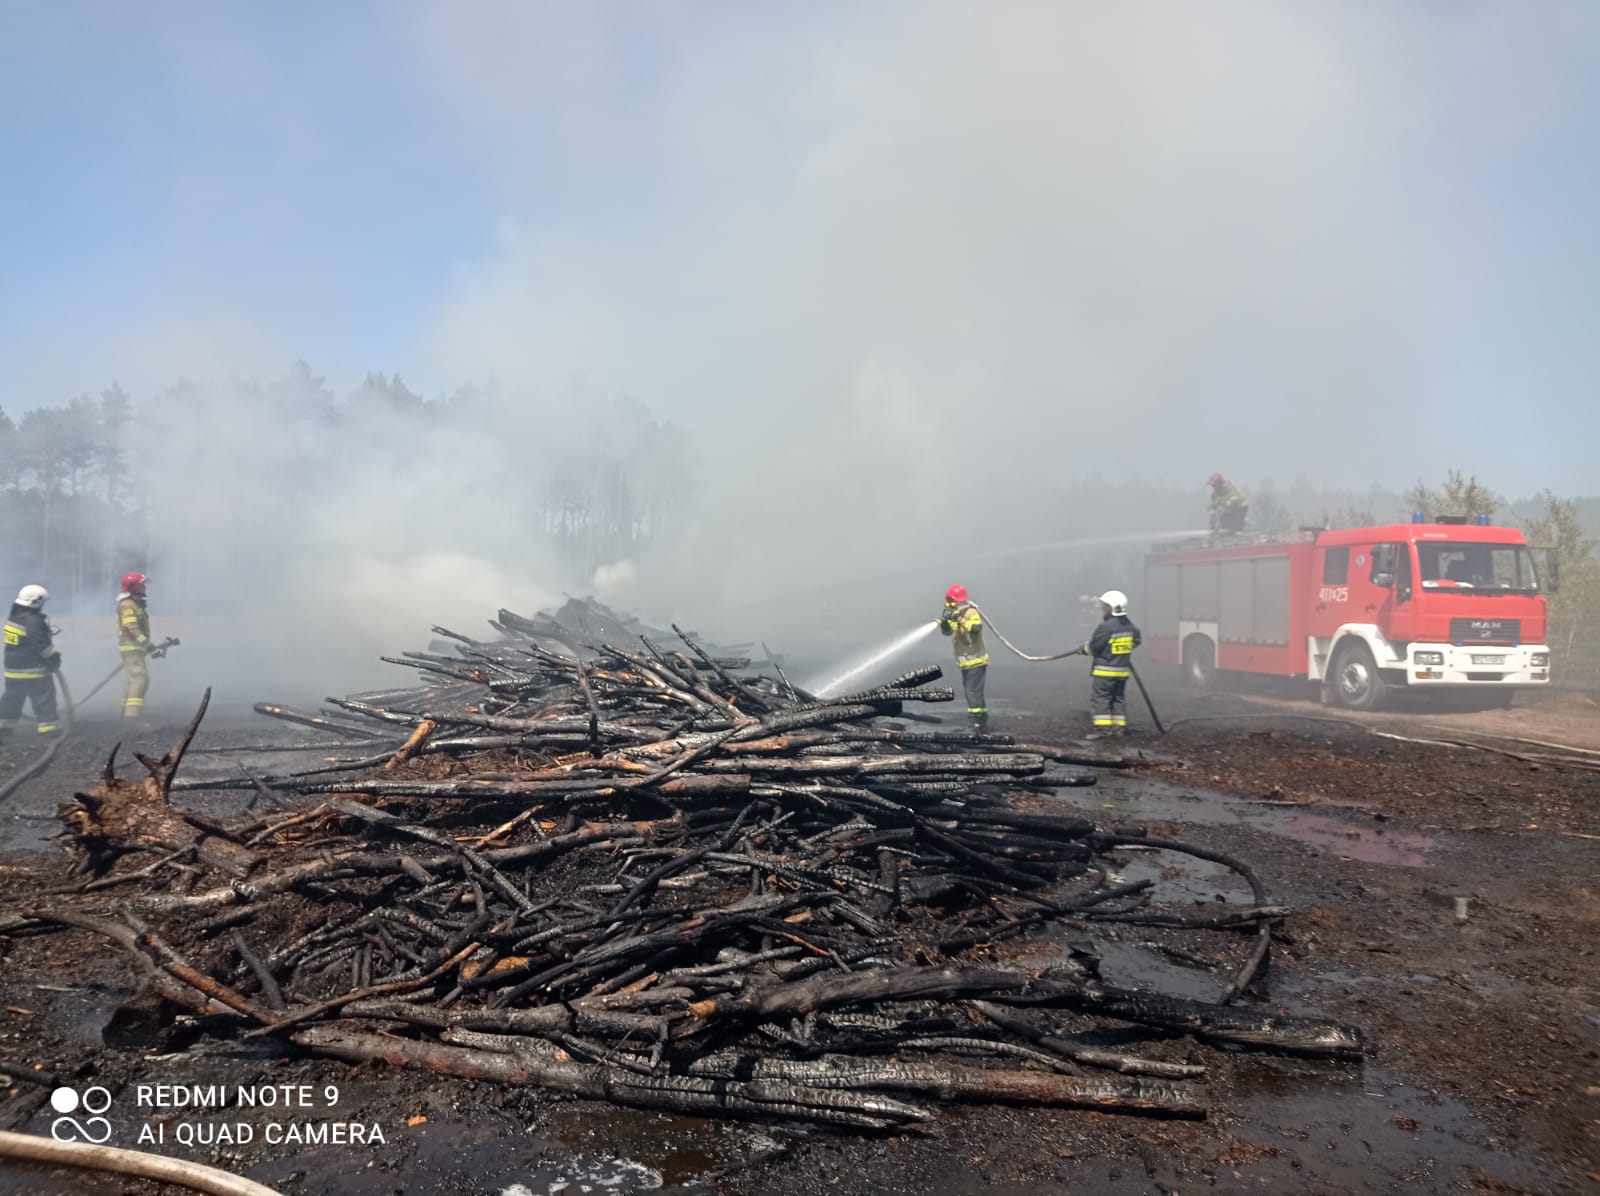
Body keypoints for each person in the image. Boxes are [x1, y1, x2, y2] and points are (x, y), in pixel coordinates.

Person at [1068, 589, 1142, 738]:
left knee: (1101, 699)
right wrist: (1122, 652)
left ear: (1112, 607)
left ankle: (1102, 730)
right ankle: (1118, 729)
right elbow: (1136, 641)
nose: (1103, 608)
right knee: (1118, 699)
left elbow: (1094, 647)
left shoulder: (1106, 627)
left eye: (1105, 606)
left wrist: (1083, 649)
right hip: (1122, 671)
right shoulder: (1130, 626)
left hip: (1105, 671)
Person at [0, 585, 63, 741]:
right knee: (43, 696)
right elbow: (41, 645)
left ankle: (4, 727)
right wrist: (54, 658)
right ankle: (49, 728)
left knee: (13, 698)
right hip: (32, 668)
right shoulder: (33, 621)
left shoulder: (14, 618)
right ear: (36, 602)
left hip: (13, 669)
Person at [938, 584, 989, 731]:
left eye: (951, 601)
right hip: (966, 662)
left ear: (958, 601)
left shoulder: (971, 612)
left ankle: (976, 724)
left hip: (976, 661)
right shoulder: (956, 614)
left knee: (972, 693)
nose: (949, 604)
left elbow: (976, 628)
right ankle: (982, 721)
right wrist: (945, 624)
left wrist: (959, 619)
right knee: (974, 692)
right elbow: (948, 632)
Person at [117, 571, 154, 720]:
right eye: (142, 585)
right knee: (139, 678)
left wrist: (146, 646)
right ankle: (132, 716)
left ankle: (125, 712)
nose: (144, 588)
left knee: (136, 678)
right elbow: (131, 627)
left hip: (135, 649)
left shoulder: (135, 604)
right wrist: (146, 642)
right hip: (131, 648)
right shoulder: (128, 605)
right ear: (134, 587)